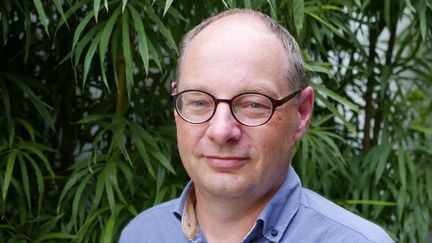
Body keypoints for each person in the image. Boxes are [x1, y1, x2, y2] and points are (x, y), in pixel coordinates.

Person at [120, 9, 394, 243]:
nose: (221, 131)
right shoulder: (141, 234)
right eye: (199, 102)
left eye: (253, 104)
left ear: (302, 112)